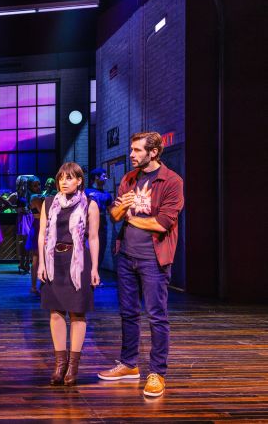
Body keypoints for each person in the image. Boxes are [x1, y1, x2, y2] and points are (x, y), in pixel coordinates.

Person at [97, 132, 184, 398]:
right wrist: (122, 209)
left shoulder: (171, 181)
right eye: (132, 149)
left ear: (153, 152)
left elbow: (162, 223)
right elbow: (114, 215)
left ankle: (157, 373)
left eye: (137, 150)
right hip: (126, 256)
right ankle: (128, 364)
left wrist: (129, 216)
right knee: (128, 313)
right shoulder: (129, 179)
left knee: (157, 316)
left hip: (154, 258)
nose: (132, 154)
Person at [37, 162, 101, 386]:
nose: (64, 182)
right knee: (55, 312)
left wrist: (94, 268)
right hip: (54, 260)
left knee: (77, 313)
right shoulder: (48, 203)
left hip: (78, 261)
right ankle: (60, 364)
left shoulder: (89, 204)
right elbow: (42, 235)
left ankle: (73, 366)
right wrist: (41, 264)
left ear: (79, 180)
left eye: (69, 178)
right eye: (61, 178)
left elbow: (93, 237)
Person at [85, 168, 113, 270]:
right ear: (96, 177)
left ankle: (96, 272)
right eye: (103, 176)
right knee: (87, 251)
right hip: (88, 226)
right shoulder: (86, 192)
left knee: (100, 250)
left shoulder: (107, 195)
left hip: (102, 226)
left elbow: (112, 211)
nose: (106, 178)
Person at [25, 177, 44, 292]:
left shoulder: (35, 197)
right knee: (37, 258)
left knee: (37, 258)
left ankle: (36, 285)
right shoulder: (35, 197)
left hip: (38, 225)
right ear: (30, 187)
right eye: (35, 185)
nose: (38, 187)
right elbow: (43, 212)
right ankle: (36, 286)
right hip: (39, 226)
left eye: (39, 184)